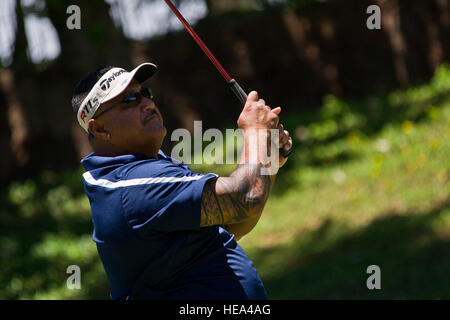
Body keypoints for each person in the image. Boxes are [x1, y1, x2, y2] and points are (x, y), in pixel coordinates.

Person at [71, 62, 292, 300]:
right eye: (130, 100)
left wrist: (267, 156)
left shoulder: (149, 169)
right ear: (100, 128)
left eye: (145, 93)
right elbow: (244, 198)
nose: (147, 104)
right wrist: (256, 133)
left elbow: (232, 222)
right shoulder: (131, 187)